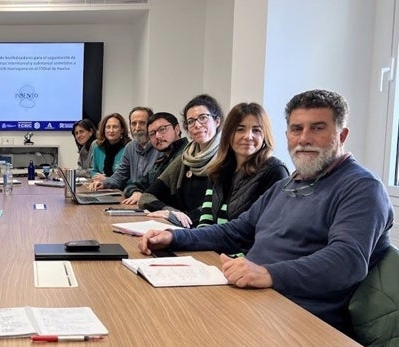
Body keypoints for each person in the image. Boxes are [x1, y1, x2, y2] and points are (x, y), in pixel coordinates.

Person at [138, 89, 393, 335]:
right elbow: (235, 231)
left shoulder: (361, 187)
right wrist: (175, 237)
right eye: (296, 129)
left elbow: (346, 260)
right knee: (155, 315)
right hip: (252, 298)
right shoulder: (287, 185)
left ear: (342, 135)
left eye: (317, 127)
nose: (304, 138)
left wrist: (268, 273)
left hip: (300, 318)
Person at [137, 95, 224, 227]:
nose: (197, 125)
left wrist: (178, 217)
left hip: (210, 232)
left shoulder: (227, 159)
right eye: (191, 121)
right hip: (182, 228)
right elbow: (146, 196)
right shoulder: (185, 159)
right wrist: (170, 211)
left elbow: (215, 208)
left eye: (203, 118)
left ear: (217, 121)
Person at [197, 103, 289, 227]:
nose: (248, 136)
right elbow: (206, 221)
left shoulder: (275, 171)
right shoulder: (218, 171)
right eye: (240, 129)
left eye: (256, 130)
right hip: (214, 244)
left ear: (265, 136)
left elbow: (270, 228)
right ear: (228, 134)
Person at [90, 107, 159, 195]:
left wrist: (138, 193)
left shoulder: (160, 147)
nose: (137, 128)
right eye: (133, 123)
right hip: (133, 195)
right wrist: (104, 183)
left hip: (150, 197)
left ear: (151, 125)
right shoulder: (130, 147)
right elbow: (120, 175)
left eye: (142, 123)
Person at [123, 112, 189, 204]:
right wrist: (136, 192)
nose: (157, 136)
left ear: (177, 129)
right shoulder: (162, 161)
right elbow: (135, 185)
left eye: (162, 129)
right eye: (152, 133)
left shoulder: (189, 156)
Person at [89, 113, 131, 177]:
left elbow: (129, 176)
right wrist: (97, 177)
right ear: (104, 129)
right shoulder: (97, 147)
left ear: (122, 130)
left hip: (122, 186)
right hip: (101, 185)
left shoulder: (129, 148)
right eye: (108, 127)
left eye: (115, 127)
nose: (111, 131)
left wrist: (107, 180)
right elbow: (94, 170)